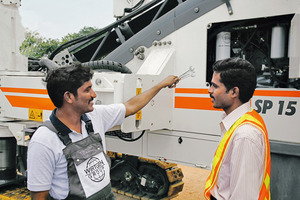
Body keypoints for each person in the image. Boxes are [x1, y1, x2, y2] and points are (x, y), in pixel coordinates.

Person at [27, 63, 180, 200]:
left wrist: (160, 85)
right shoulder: (44, 140)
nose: (94, 94)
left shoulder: (95, 116)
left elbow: (131, 106)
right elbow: (39, 196)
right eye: (87, 90)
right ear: (68, 97)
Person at [204, 58, 271, 200]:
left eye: (215, 86)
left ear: (234, 92)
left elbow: (243, 196)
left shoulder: (245, 135)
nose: (209, 90)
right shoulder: (242, 121)